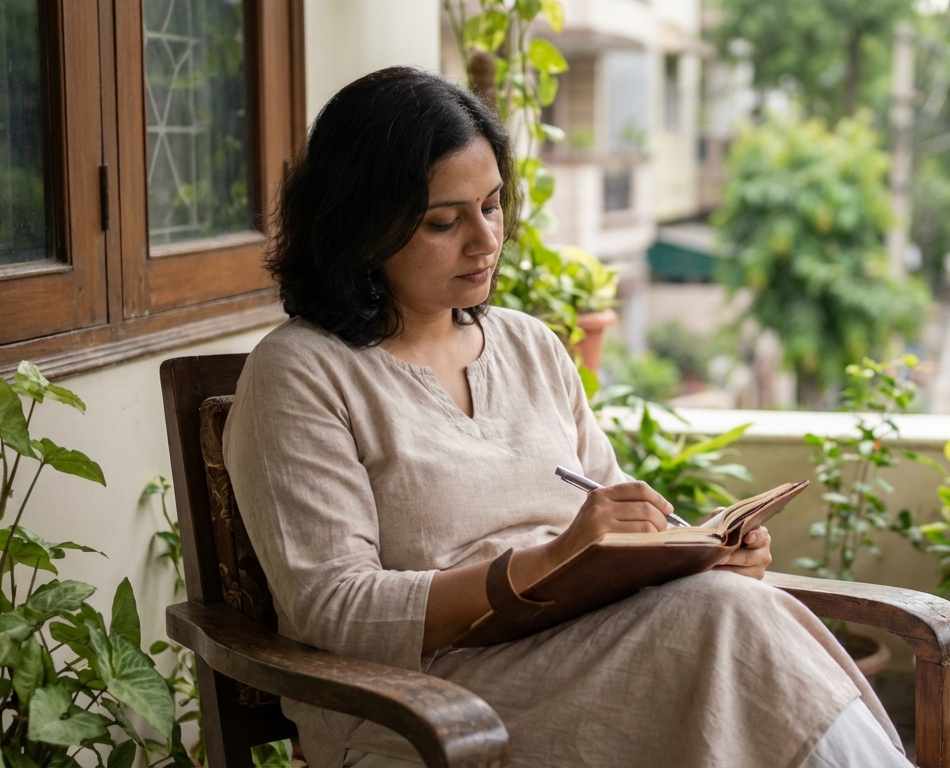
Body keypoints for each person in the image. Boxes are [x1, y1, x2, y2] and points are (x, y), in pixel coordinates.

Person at [223, 66, 910, 768]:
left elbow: (612, 510)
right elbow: (331, 607)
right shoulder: (302, 372)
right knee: (727, 625)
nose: (485, 241)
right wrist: (543, 563)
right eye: (443, 221)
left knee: (728, 605)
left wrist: (694, 549)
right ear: (362, 226)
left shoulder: (529, 345)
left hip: (584, 646)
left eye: (492, 207)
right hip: (424, 697)